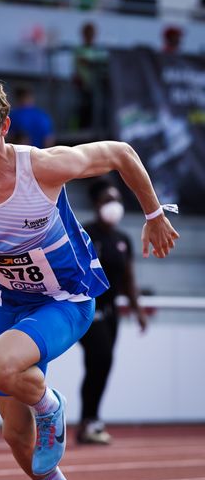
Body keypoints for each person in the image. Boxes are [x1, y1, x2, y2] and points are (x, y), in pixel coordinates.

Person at [0, 67, 179, 480]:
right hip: (13, 306)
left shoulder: (40, 166)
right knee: (15, 436)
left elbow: (120, 152)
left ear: (2, 126)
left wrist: (155, 213)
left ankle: (51, 405)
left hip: (67, 298)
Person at [77, 178, 148, 445]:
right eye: (108, 200)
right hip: (88, 305)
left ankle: (91, 420)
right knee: (101, 356)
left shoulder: (123, 239)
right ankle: (89, 421)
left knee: (101, 365)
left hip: (112, 309)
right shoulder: (86, 234)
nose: (114, 206)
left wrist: (137, 309)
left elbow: (128, 277)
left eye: (117, 200)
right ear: (96, 204)